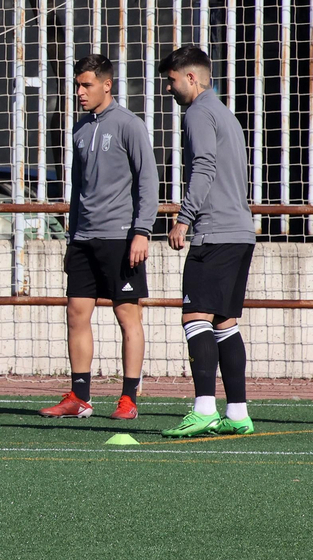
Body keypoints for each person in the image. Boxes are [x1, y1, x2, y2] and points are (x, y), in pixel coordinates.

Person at [40, 54, 157, 421]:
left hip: (120, 238)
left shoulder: (129, 125)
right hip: (84, 238)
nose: (79, 92)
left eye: (86, 85)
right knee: (76, 314)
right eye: (77, 85)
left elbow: (148, 181)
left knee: (127, 317)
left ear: (107, 85)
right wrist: (72, 236)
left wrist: (142, 230)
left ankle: (128, 398)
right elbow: (78, 190)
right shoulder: (79, 129)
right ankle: (80, 396)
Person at [159, 46, 257, 437]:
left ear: (192, 78)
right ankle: (237, 413)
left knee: (194, 316)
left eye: (171, 80)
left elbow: (204, 166)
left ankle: (203, 409)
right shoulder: (225, 114)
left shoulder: (198, 112)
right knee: (225, 323)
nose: (169, 88)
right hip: (240, 232)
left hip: (214, 232)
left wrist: (184, 217)